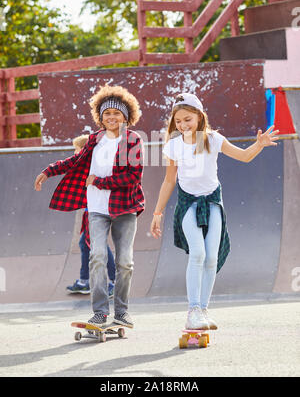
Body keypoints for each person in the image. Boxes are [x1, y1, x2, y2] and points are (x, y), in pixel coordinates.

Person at [150, 92, 279, 330]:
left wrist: (258, 145)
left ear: (199, 117)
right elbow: (169, 181)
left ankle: (203, 310)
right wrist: (157, 213)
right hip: (188, 204)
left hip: (213, 203)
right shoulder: (173, 146)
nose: (182, 125)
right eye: (178, 121)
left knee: (211, 257)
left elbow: (244, 156)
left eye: (187, 119)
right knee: (197, 253)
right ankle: (192, 311)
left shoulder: (213, 139)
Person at [34, 84, 144, 329]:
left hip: (125, 207)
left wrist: (101, 182)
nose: (112, 118)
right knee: (97, 256)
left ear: (126, 116)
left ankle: (122, 312)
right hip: (96, 208)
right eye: (107, 114)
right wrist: (49, 171)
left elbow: (133, 176)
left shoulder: (132, 140)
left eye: (117, 113)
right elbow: (75, 161)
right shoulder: (95, 139)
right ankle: (100, 312)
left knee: (125, 261)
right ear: (100, 117)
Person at [66, 135, 116, 297]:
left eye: (77, 151)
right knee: (85, 244)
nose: (75, 153)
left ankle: (116, 281)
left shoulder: (95, 167)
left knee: (98, 245)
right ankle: (84, 281)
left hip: (99, 211)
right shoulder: (85, 168)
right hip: (91, 211)